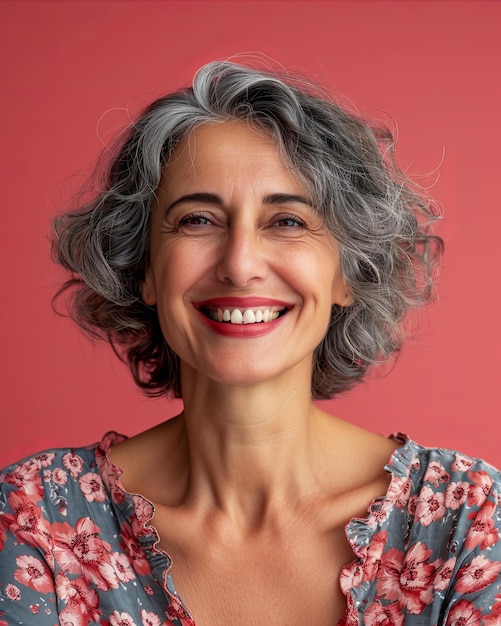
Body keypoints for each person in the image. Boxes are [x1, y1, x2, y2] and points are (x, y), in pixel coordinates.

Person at [0, 61, 500, 626]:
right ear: (144, 269)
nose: (239, 265)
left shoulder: (469, 523)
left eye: (286, 221)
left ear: (346, 274)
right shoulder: (38, 519)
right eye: (197, 221)